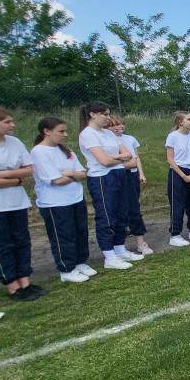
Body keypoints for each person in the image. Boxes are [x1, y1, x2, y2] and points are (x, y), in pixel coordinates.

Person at [0, 106, 46, 300]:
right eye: (7, 122)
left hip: (16, 203)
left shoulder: (14, 142)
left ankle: (25, 282)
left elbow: (29, 170)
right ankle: (13, 286)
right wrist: (15, 180)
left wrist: (2, 174)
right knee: (0, 246)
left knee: (21, 242)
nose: (12, 125)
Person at [78, 102, 142, 269]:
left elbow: (129, 154)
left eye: (108, 114)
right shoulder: (88, 134)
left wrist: (115, 157)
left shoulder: (108, 133)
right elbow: (103, 161)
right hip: (102, 178)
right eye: (105, 114)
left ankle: (120, 249)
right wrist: (118, 158)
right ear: (93, 114)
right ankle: (109, 255)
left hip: (119, 174)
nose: (108, 118)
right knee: (107, 216)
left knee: (122, 213)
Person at [31, 116, 94, 283]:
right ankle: (66, 268)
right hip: (55, 202)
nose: (65, 134)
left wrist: (69, 174)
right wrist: (70, 175)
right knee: (63, 235)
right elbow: (56, 181)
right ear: (47, 132)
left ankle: (80, 262)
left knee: (80, 231)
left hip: (75, 198)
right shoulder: (39, 152)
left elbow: (82, 173)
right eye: (61, 131)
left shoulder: (66, 151)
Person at [108, 115, 152, 255]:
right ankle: (117, 246)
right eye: (113, 125)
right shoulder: (105, 141)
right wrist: (119, 161)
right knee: (116, 212)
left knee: (134, 209)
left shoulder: (128, 139)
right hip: (112, 178)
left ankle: (141, 243)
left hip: (129, 176)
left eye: (120, 124)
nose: (117, 127)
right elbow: (102, 162)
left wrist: (140, 173)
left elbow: (133, 161)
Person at [165, 111, 190, 247]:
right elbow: (170, 158)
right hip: (178, 172)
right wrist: (183, 175)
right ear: (180, 122)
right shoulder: (173, 137)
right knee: (177, 203)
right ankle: (175, 234)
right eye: (189, 119)